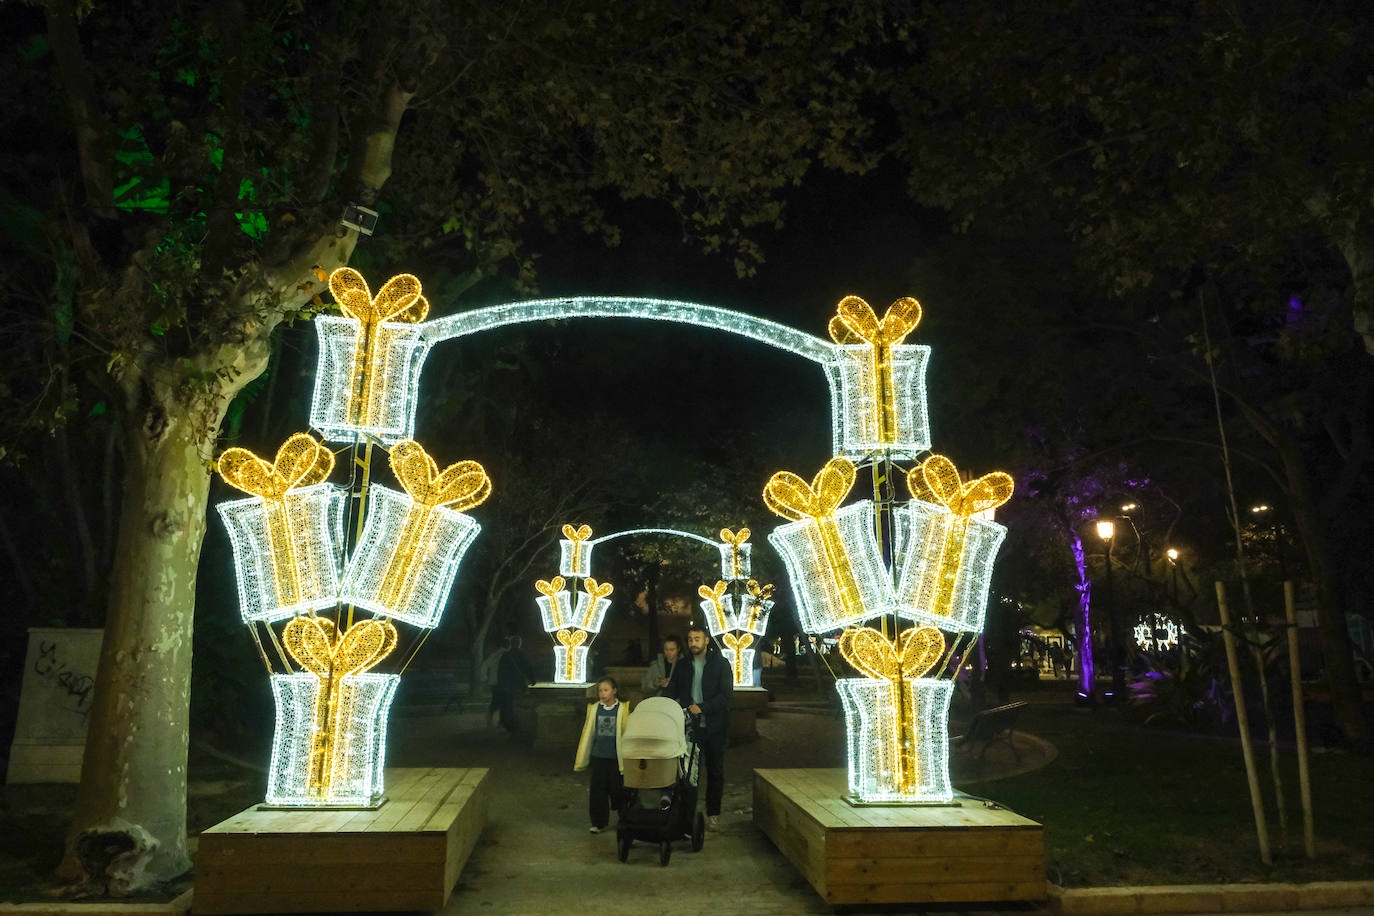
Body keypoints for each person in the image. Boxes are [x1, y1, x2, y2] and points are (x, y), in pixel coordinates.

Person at [665, 624, 732, 830]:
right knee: (688, 773)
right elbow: (671, 691)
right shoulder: (684, 665)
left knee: (715, 771)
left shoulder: (720, 664)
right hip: (690, 729)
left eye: (697, 639)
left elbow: (726, 696)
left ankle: (713, 814)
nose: (693, 643)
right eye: (690, 639)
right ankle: (687, 816)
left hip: (714, 729)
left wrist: (702, 708)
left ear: (706, 641)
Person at [573, 676, 629, 833]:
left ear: (614, 691)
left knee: (619, 790)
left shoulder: (623, 709)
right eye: (600, 690)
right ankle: (598, 822)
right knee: (598, 791)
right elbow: (589, 733)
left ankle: (625, 820)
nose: (602, 694)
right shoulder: (595, 709)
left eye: (606, 690)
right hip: (599, 756)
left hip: (616, 758)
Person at [495, 635, 535, 732]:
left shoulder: (506, 655)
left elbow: (501, 671)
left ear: (511, 644)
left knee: (507, 706)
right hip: (519, 685)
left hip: (507, 686)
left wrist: (501, 684)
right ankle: (518, 725)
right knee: (518, 705)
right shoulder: (522, 655)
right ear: (519, 644)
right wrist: (532, 679)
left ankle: (508, 725)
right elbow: (528, 668)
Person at [480, 637, 509, 727]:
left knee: (497, 700)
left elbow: (485, 664)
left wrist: (484, 678)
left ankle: (492, 718)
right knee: (504, 702)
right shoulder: (507, 655)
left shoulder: (495, 654)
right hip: (504, 682)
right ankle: (500, 721)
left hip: (494, 682)